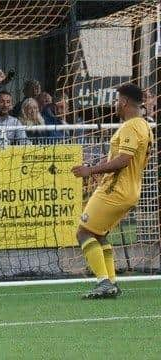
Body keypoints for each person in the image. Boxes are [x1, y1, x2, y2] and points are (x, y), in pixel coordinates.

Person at [71, 83, 153, 299]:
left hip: (115, 190)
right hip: (130, 189)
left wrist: (91, 170)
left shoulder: (131, 126)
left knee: (84, 232)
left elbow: (124, 161)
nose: (116, 104)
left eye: (117, 100)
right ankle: (111, 282)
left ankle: (104, 282)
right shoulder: (144, 125)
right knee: (99, 234)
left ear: (125, 102)